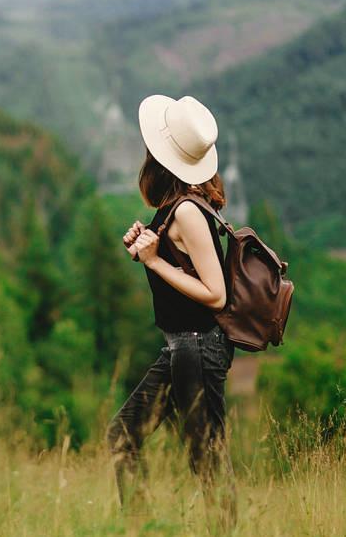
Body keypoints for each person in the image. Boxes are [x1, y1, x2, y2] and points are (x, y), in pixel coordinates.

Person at [105, 94, 237, 531]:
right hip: (183, 349)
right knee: (125, 435)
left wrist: (156, 261)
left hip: (197, 349)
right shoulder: (177, 206)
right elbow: (180, 262)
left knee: (208, 461)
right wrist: (148, 245)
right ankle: (144, 528)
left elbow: (215, 294)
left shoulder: (187, 211)